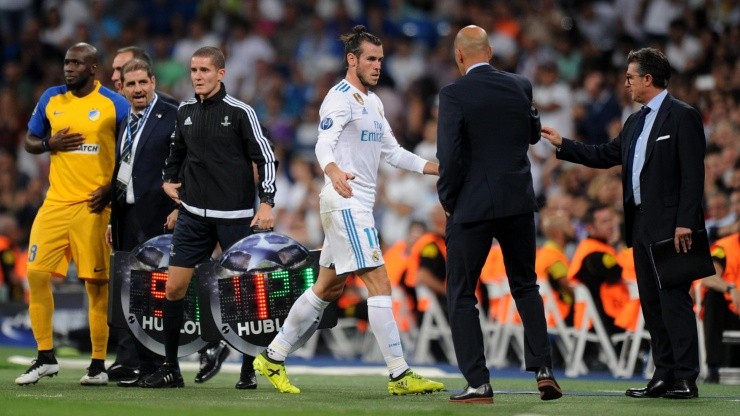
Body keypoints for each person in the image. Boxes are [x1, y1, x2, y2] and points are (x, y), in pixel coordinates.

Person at [253, 25, 444, 396]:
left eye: (380, 60)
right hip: (345, 201)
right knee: (379, 282)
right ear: (352, 60)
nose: (377, 66)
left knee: (328, 287)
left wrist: (434, 167)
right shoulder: (338, 98)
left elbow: (393, 152)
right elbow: (324, 143)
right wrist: (333, 170)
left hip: (355, 205)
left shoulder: (373, 102)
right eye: (370, 59)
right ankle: (399, 373)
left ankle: (272, 357)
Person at [541, 47, 707, 399]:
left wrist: (686, 223)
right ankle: (663, 374)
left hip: (674, 227)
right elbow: (605, 155)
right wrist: (563, 144)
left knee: (675, 300)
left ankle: (686, 378)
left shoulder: (683, 116)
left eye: (631, 76)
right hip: (641, 223)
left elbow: (694, 175)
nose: (626, 83)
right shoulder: (634, 121)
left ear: (649, 79)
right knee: (651, 301)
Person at [436, 25, 562, 404]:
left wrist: (447, 198)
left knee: (461, 293)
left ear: (459, 56)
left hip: (471, 206)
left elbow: (450, 154)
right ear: (489, 51)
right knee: (525, 285)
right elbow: (532, 133)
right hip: (518, 202)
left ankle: (479, 383)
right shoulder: (521, 85)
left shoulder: (453, 93)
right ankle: (543, 369)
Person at [142, 46, 277, 389]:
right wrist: (170, 184)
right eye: (193, 70)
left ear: (221, 74)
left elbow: (266, 157)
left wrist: (267, 202)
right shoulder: (185, 110)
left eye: (204, 70)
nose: (197, 76)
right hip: (192, 217)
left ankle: (248, 371)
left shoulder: (240, 111)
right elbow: (176, 154)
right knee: (173, 289)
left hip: (234, 217)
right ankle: (171, 368)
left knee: (243, 296)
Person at [15, 42, 129, 386]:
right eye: (67, 62)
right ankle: (45, 357)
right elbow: (29, 141)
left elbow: (130, 153)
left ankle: (97, 365)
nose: (69, 68)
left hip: (93, 207)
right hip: (55, 204)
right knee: (35, 274)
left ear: (94, 68)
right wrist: (50, 144)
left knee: (95, 286)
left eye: (77, 63)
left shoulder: (114, 103)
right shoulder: (51, 98)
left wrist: (111, 190)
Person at [106, 58, 178, 387]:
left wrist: (183, 206)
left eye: (142, 83)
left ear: (153, 80)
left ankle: (167, 365)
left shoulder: (173, 113)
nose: (137, 90)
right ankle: (145, 366)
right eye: (130, 84)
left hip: (160, 215)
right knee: (132, 294)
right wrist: (112, 217)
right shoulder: (124, 120)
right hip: (126, 215)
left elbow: (190, 162)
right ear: (123, 86)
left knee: (158, 292)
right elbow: (122, 168)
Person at [700, 188, 740, 383]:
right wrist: (731, 289)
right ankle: (713, 368)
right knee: (712, 296)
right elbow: (708, 277)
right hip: (731, 309)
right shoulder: (726, 246)